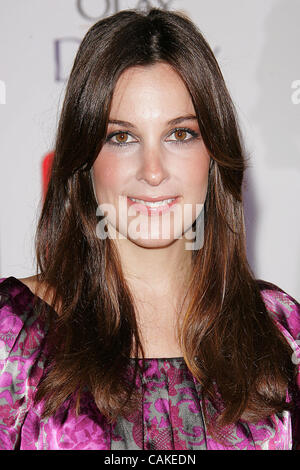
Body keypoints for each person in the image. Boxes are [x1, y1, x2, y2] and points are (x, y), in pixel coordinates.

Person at [0, 7, 299, 451]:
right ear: (84, 162)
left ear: (215, 153)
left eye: (180, 134)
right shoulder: (13, 336)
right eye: (122, 137)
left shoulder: (282, 333)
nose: (153, 171)